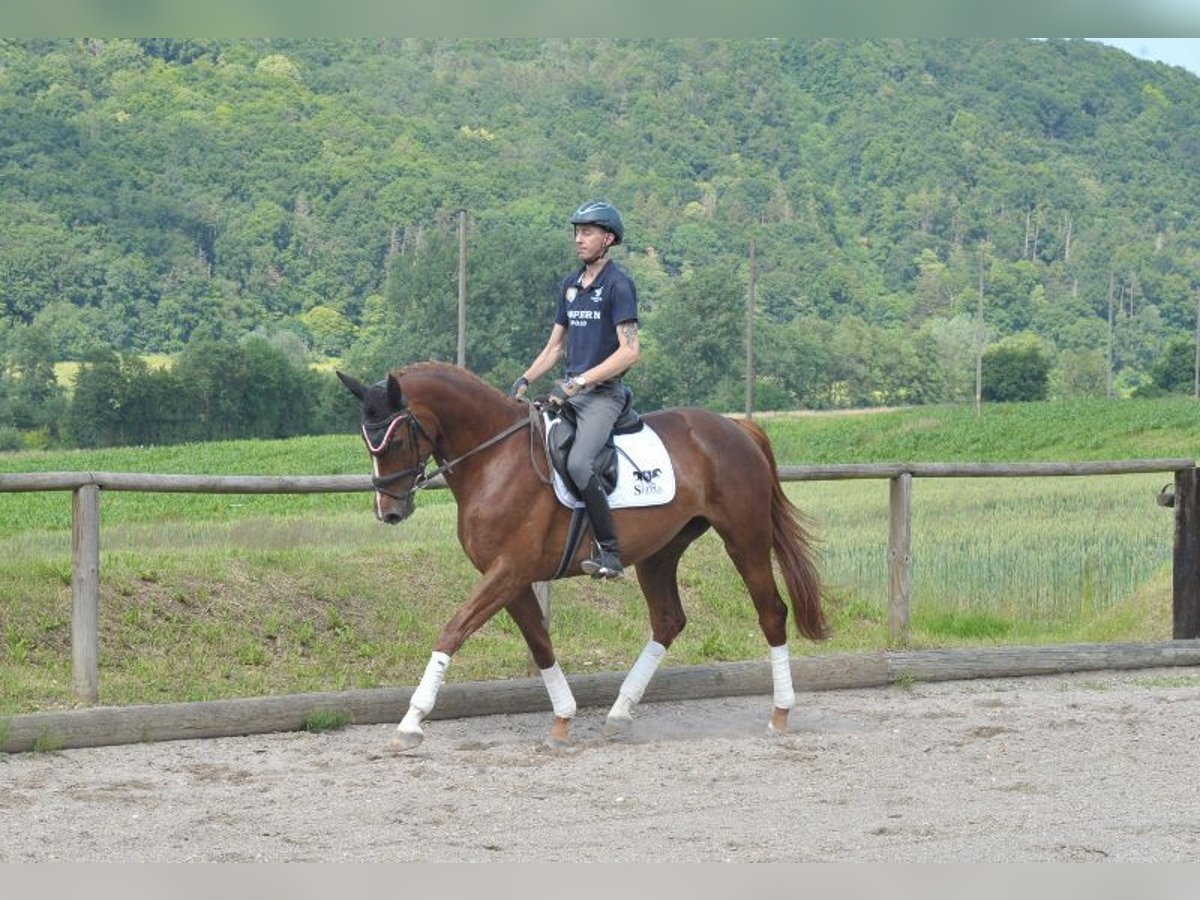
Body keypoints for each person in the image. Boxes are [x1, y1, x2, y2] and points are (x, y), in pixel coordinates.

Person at [511, 199, 640, 579]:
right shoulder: (570, 286)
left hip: (603, 396)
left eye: (587, 232)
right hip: (568, 395)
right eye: (577, 232)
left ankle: (611, 554)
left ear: (608, 239)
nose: (579, 239)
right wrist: (525, 379)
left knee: (581, 463)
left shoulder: (618, 284)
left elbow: (630, 351)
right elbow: (555, 347)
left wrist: (579, 382)